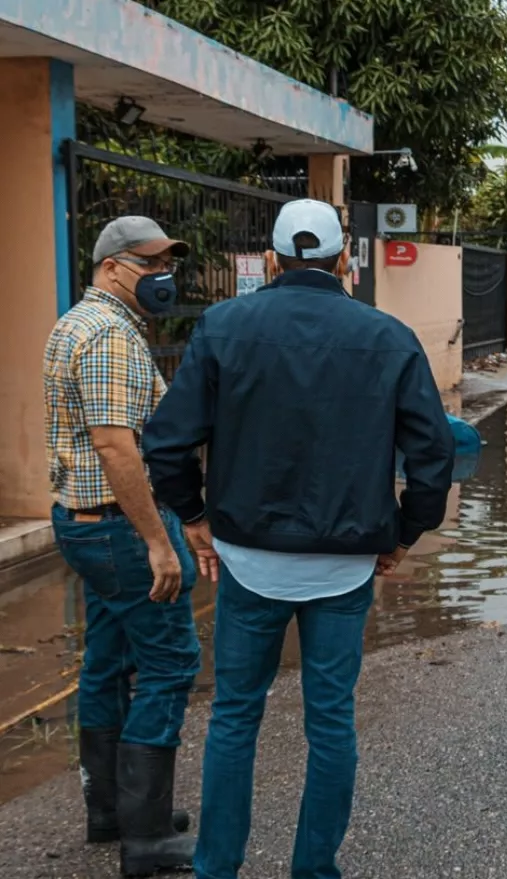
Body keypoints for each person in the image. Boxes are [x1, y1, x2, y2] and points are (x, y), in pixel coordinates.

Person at [142, 199, 455, 879]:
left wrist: (194, 517)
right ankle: (314, 869)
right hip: (346, 564)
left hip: (248, 558)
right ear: (345, 259)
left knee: (233, 717)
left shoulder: (224, 325)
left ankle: (216, 867)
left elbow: (166, 439)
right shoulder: (388, 336)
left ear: (274, 262)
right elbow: (433, 456)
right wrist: (403, 532)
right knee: (331, 721)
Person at [42, 216, 199, 875]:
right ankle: (147, 836)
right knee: (170, 661)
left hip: (83, 522)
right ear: (112, 267)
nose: (163, 276)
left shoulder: (77, 322)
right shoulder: (108, 334)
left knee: (107, 658)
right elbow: (115, 446)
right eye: (149, 263)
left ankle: (111, 809)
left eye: (168, 263)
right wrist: (157, 541)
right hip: (116, 526)